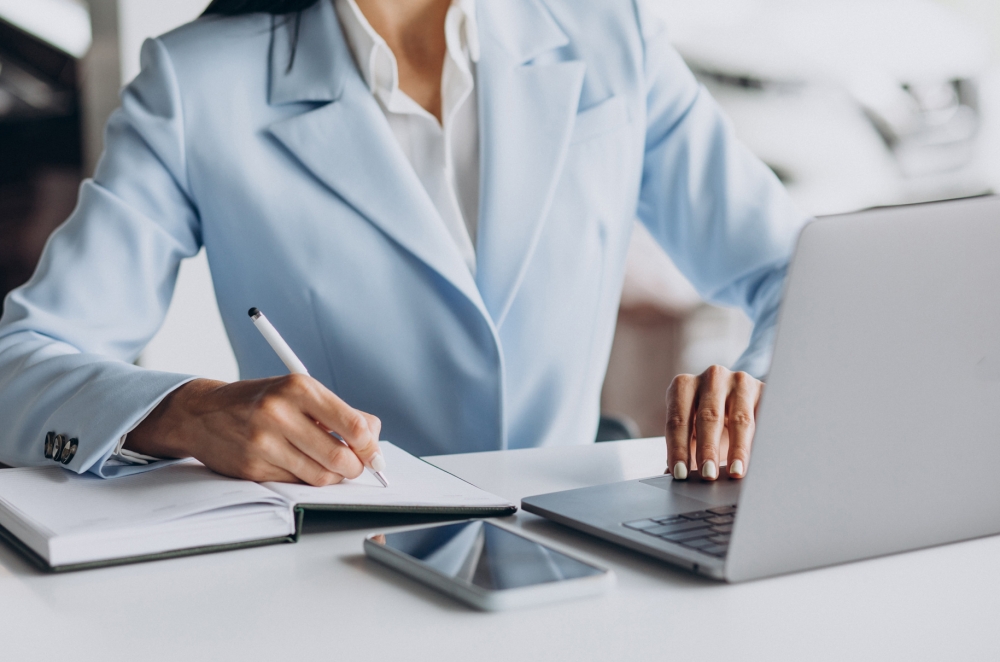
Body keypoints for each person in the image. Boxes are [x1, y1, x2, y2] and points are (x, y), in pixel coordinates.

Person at [0, 0, 808, 485]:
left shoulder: (605, 27)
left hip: (582, 544)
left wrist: (764, 388)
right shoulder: (196, 84)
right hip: (340, 572)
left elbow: (793, 270)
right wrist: (188, 413)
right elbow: (20, 363)